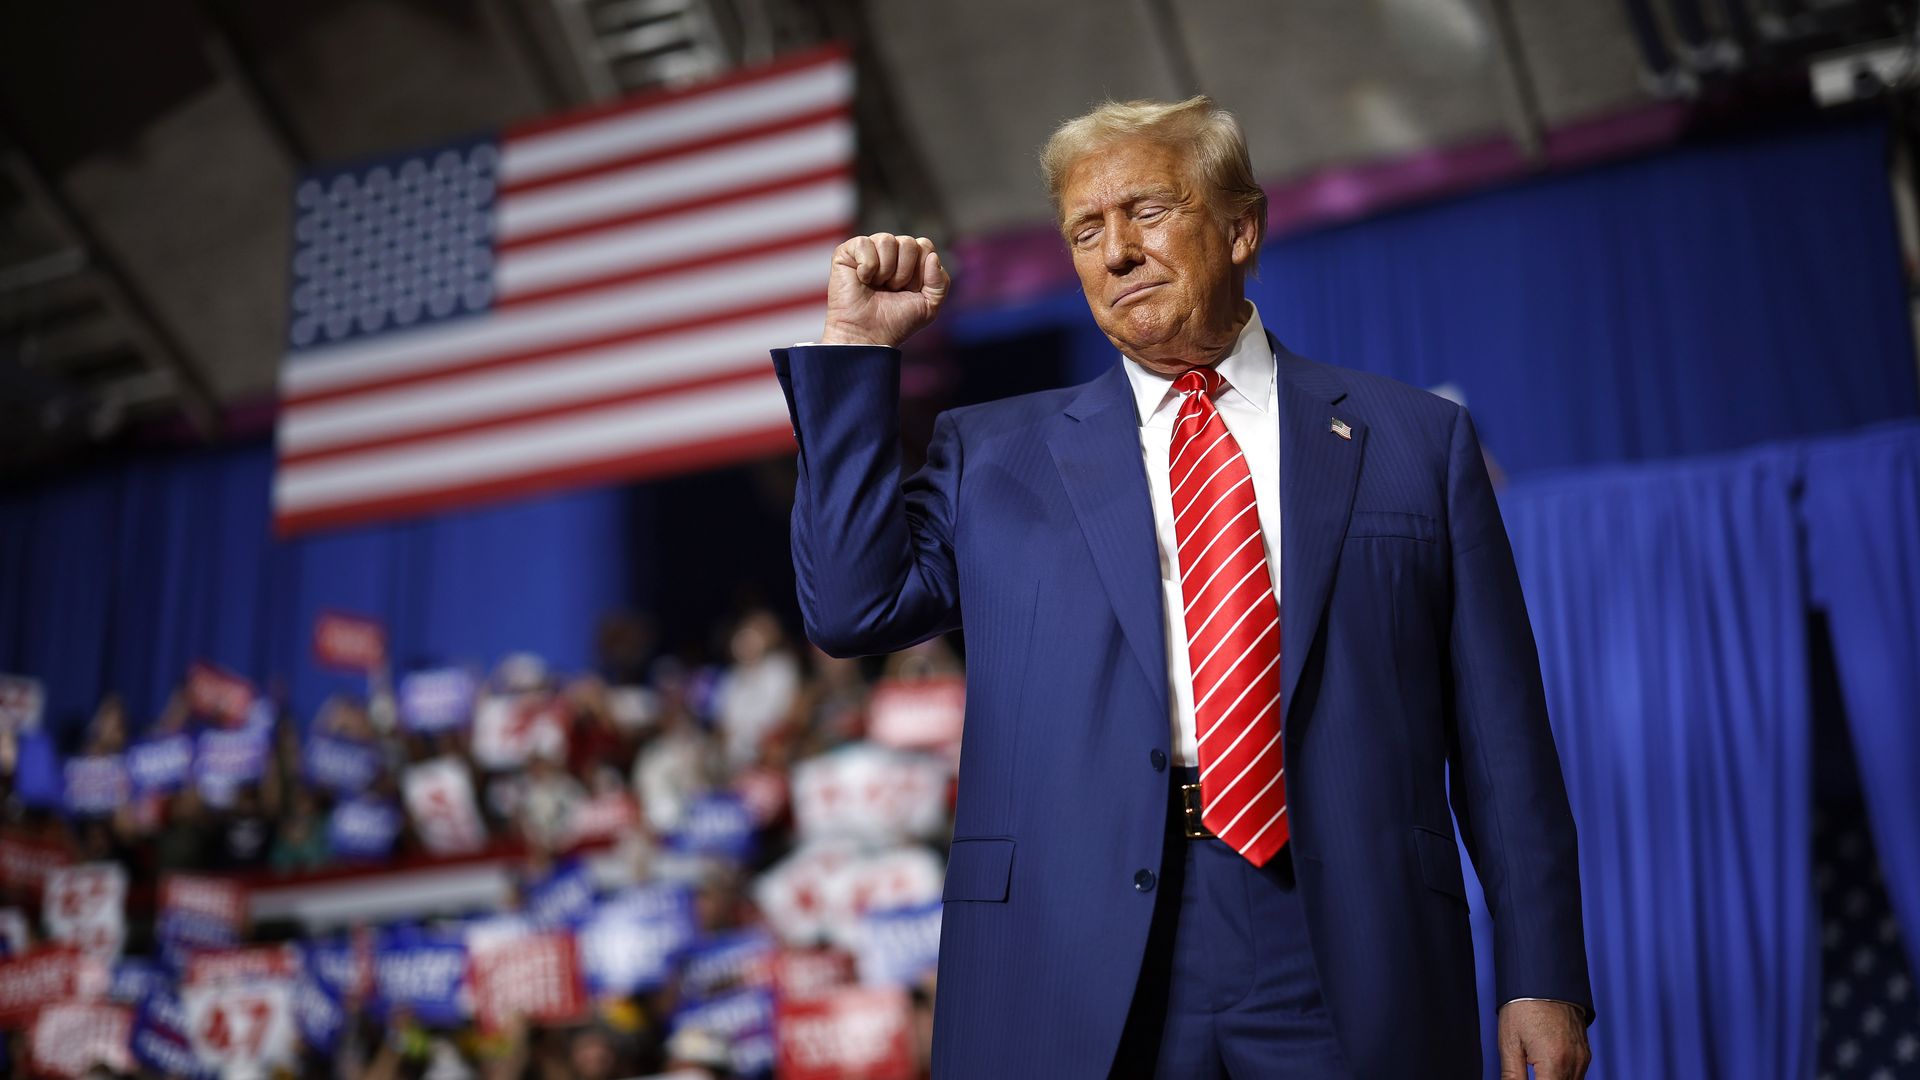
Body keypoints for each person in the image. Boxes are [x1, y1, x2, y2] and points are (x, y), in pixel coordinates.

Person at [771, 95, 1593, 1079]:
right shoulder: (991, 455)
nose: (1117, 252)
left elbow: (1502, 738)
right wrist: (857, 351)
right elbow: (851, 608)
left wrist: (1541, 972)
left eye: (1147, 213)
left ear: (1242, 228)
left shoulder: (1415, 442)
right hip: (1070, 944)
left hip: (1345, 936)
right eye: (1086, 231)